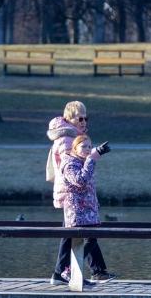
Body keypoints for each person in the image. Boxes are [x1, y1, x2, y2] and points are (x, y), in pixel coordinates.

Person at [56, 134, 115, 284]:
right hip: (77, 211)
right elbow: (80, 181)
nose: (87, 149)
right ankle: (68, 271)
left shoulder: (82, 162)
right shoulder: (70, 163)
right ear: (74, 148)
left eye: (90, 146)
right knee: (87, 239)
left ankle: (71, 272)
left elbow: (89, 187)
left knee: (92, 239)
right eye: (83, 146)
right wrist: (92, 159)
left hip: (88, 211)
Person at [48, 101, 87, 285]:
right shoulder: (67, 138)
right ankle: (67, 272)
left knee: (70, 232)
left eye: (86, 118)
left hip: (75, 192)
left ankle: (61, 272)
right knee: (80, 232)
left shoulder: (73, 136)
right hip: (70, 191)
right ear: (69, 118)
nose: (84, 121)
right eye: (80, 118)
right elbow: (69, 167)